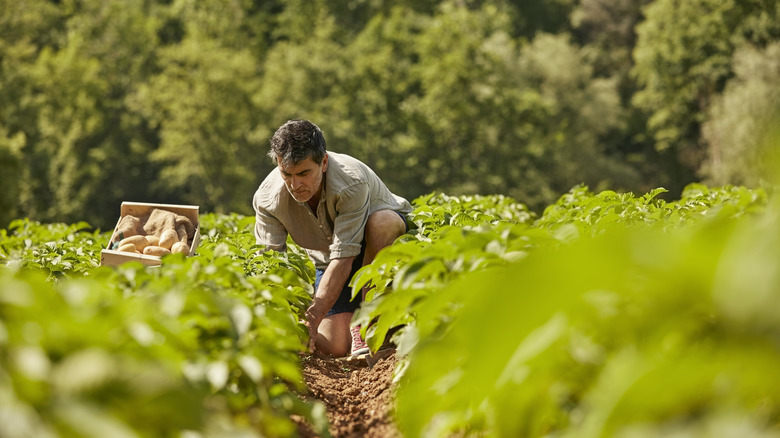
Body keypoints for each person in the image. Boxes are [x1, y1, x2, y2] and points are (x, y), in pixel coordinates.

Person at [253, 119, 412, 357]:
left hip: (377, 248)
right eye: (287, 174)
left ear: (324, 162)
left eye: (304, 173)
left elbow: (345, 256)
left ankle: (369, 320)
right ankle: (356, 324)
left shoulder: (350, 182)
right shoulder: (268, 199)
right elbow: (270, 263)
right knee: (335, 346)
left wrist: (314, 316)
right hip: (330, 259)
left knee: (382, 223)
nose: (295, 185)